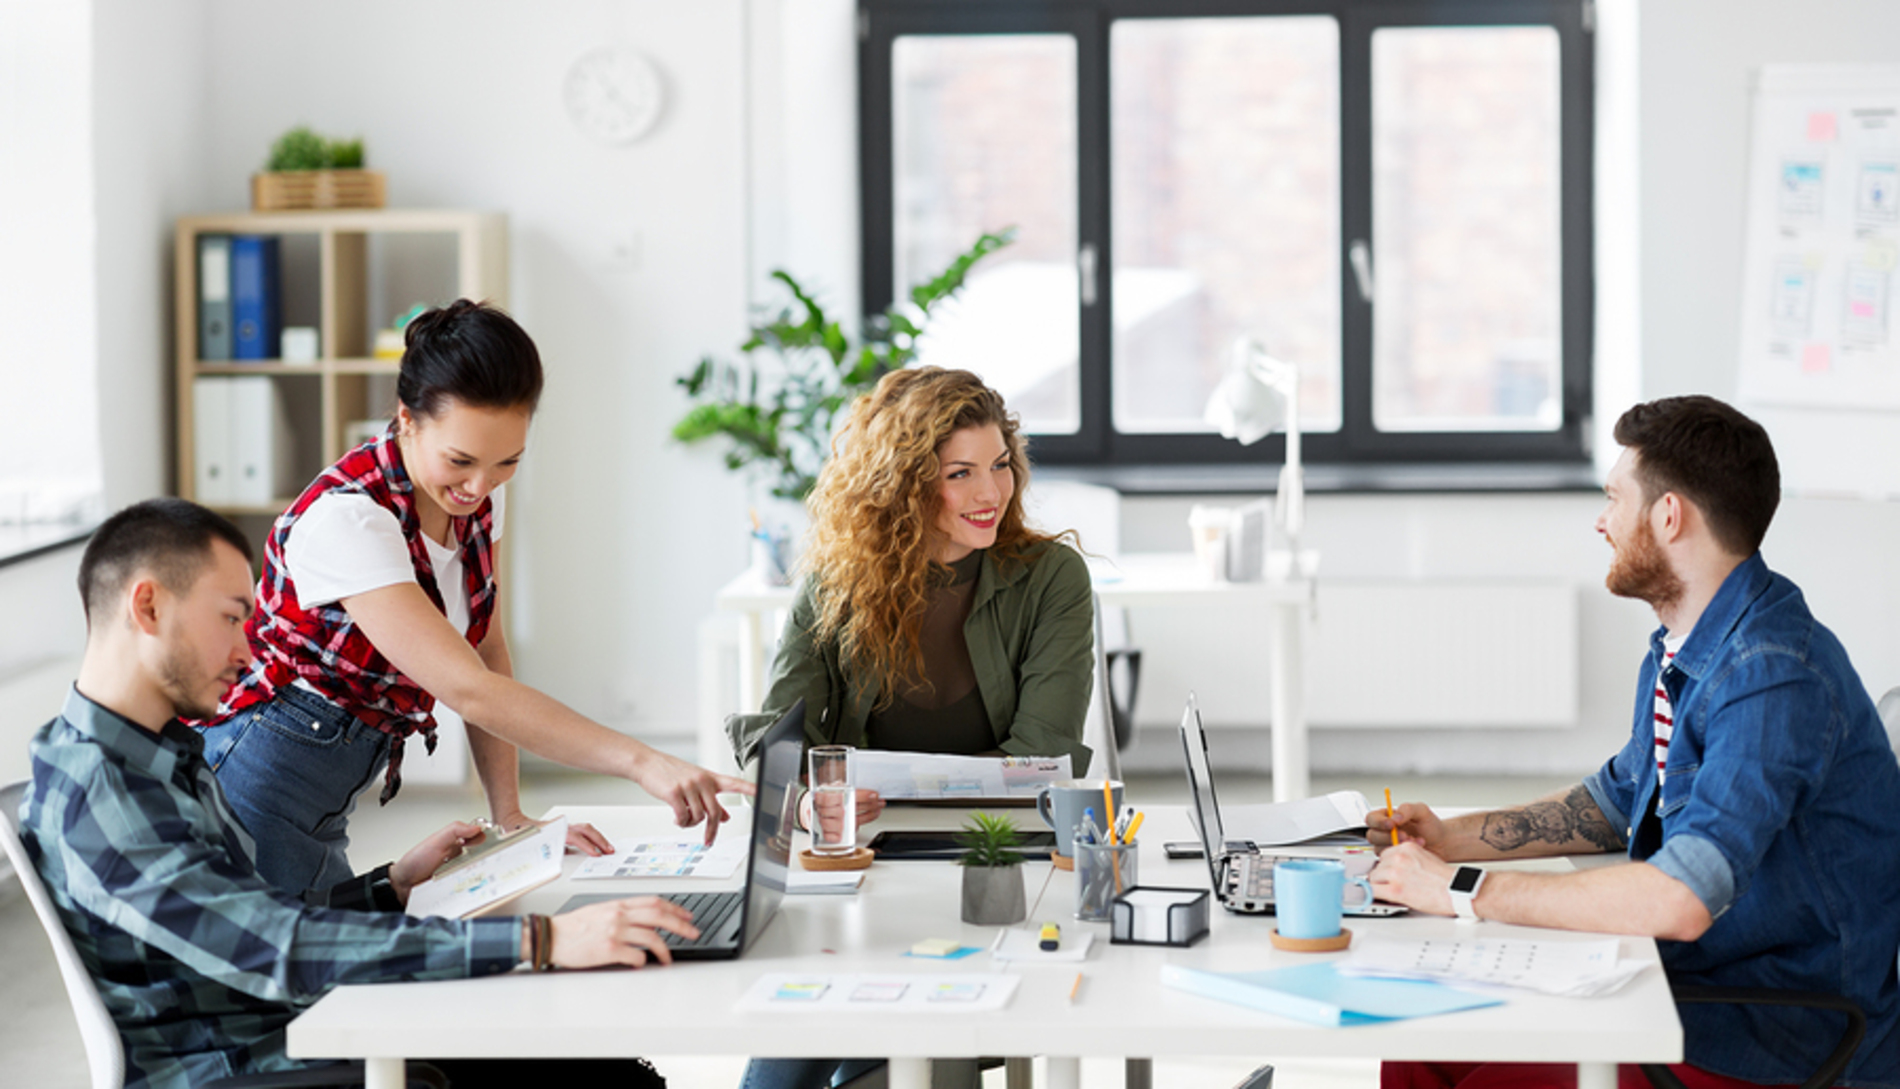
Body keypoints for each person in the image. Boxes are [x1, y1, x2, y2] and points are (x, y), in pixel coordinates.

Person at [21, 498, 695, 1089]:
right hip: (258, 1064)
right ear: (148, 604)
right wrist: (542, 938)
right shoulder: (103, 791)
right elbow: (280, 947)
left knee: (576, 1048)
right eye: (231, 618)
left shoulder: (151, 752)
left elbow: (243, 921)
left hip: (290, 1037)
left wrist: (391, 887)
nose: (247, 650)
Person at [1366, 396, 1900, 1089]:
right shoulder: (1686, 644)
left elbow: (1680, 897)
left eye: (1615, 498)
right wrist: (1448, 838)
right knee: (1420, 1037)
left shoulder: (1772, 676)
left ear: (1669, 514)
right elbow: (1615, 800)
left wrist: (1463, 888)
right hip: (1690, 985)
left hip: (1772, 1034)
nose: (1601, 519)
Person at [196, 299, 750, 897]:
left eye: (507, 461)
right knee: (304, 978)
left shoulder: (478, 495)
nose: (480, 486)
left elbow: (487, 649)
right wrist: (646, 762)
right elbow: (468, 689)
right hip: (258, 773)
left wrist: (508, 816)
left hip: (325, 789)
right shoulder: (349, 520)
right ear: (407, 420)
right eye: (459, 460)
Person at [727, 367, 1096, 1089]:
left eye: (999, 466)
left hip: (994, 861)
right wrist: (805, 800)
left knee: (897, 1060)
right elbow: (779, 733)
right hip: (867, 861)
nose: (991, 493)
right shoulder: (836, 581)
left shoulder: (1053, 579)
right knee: (784, 1059)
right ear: (901, 481)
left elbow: (1040, 758)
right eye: (960, 473)